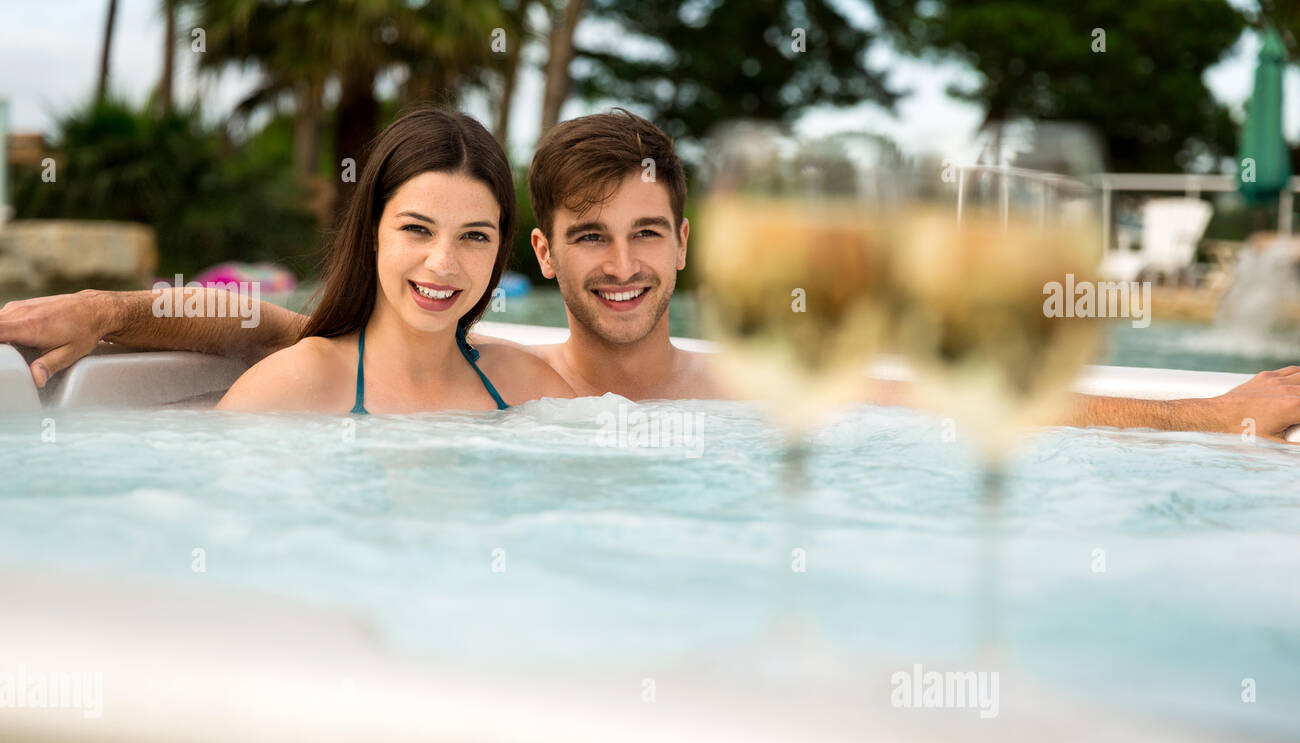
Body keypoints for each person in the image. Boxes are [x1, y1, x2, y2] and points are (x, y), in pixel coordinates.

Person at [3, 110, 1299, 438]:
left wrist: (1203, 417)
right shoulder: (502, 379)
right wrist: (128, 309)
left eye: (648, 235)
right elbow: (322, 342)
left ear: (686, 245)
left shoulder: (654, 394)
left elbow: (935, 406)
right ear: (551, 257)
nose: (623, 267)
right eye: (591, 239)